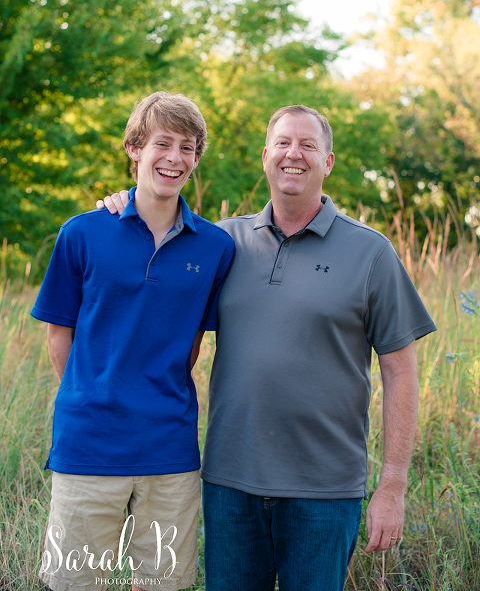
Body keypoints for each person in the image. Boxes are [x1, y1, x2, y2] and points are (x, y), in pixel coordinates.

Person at [100, 104, 436, 591]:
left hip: (324, 491)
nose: (293, 154)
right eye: (282, 143)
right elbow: (154, 265)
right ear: (265, 156)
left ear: (328, 162)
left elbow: (401, 372)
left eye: (307, 145)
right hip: (229, 485)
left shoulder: (371, 252)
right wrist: (122, 205)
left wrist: (394, 484)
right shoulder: (221, 242)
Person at [32, 91, 235, 591]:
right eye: (163, 143)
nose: (175, 158)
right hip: (88, 445)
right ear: (135, 148)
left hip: (170, 448)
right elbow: (59, 334)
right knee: (76, 582)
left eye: (187, 148)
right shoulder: (81, 233)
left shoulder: (216, 246)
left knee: (163, 582)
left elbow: (192, 344)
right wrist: (92, 395)